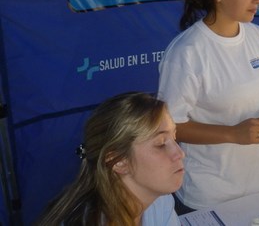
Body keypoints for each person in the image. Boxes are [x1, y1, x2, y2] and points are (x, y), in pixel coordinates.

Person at [157, 0, 259, 210]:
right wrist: (232, 133)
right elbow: (170, 127)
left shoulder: (258, 37)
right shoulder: (188, 51)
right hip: (210, 196)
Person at [36, 92, 184, 226]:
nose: (180, 153)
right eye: (161, 144)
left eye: (174, 137)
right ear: (118, 161)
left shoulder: (158, 200)